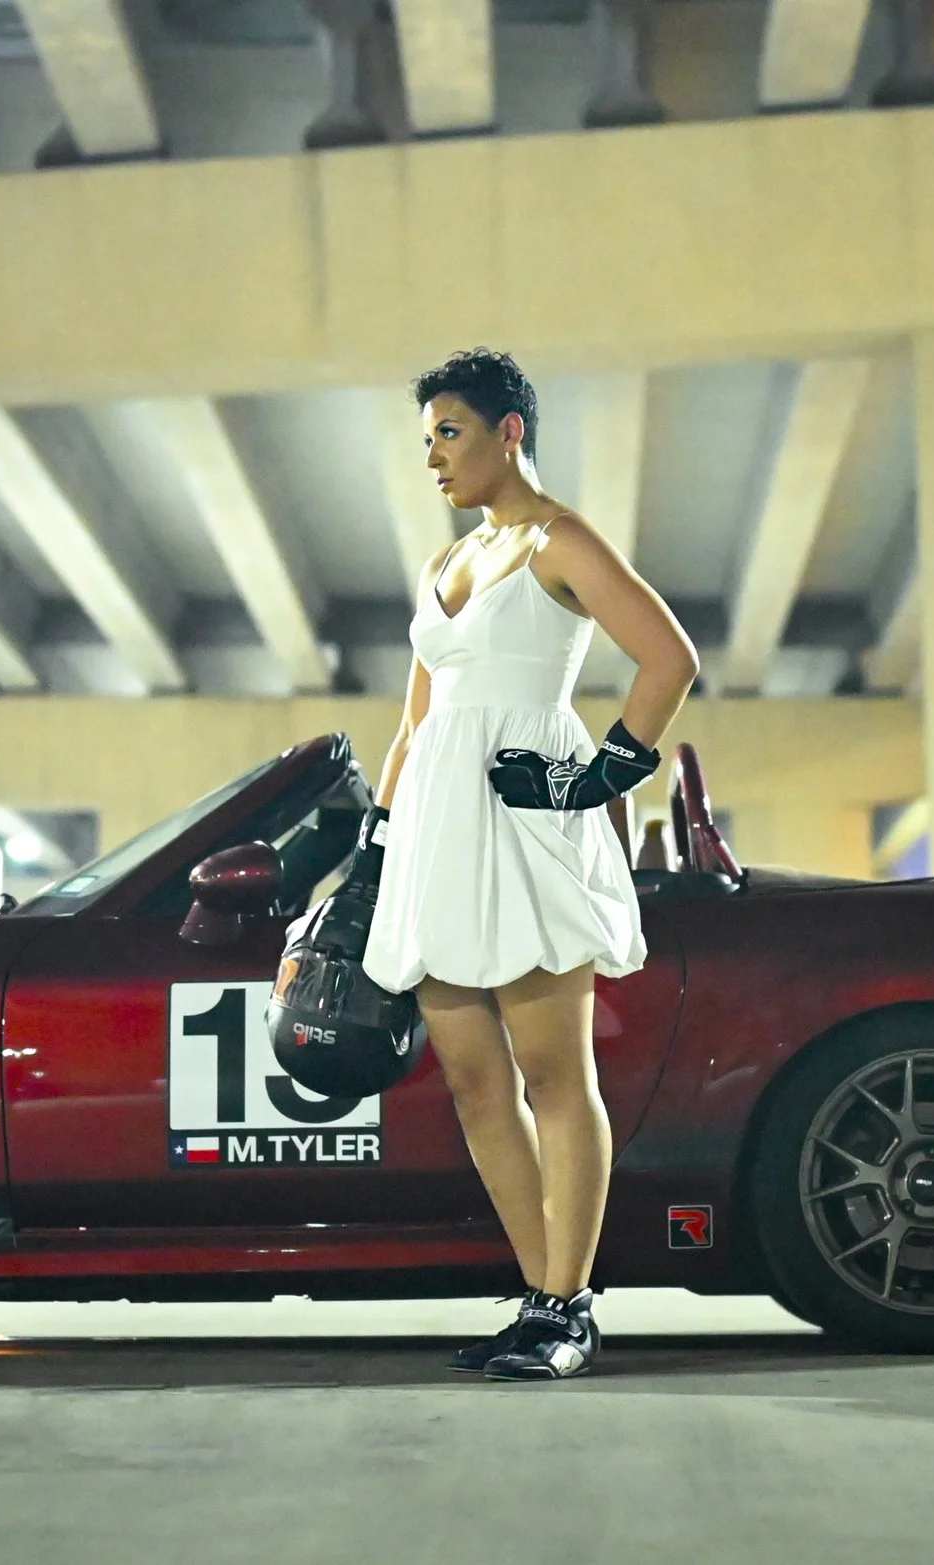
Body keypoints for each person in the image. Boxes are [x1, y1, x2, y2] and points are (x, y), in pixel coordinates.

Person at [359, 348, 698, 1380]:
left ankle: (570, 1304)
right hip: (437, 830)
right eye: (425, 439)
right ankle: (533, 1295)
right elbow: (416, 719)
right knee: (471, 1079)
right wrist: (376, 842)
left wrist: (592, 782)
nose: (434, 457)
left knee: (554, 1071)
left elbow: (668, 658)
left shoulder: (560, 540)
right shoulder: (442, 563)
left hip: (527, 819)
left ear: (511, 431)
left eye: (450, 433)